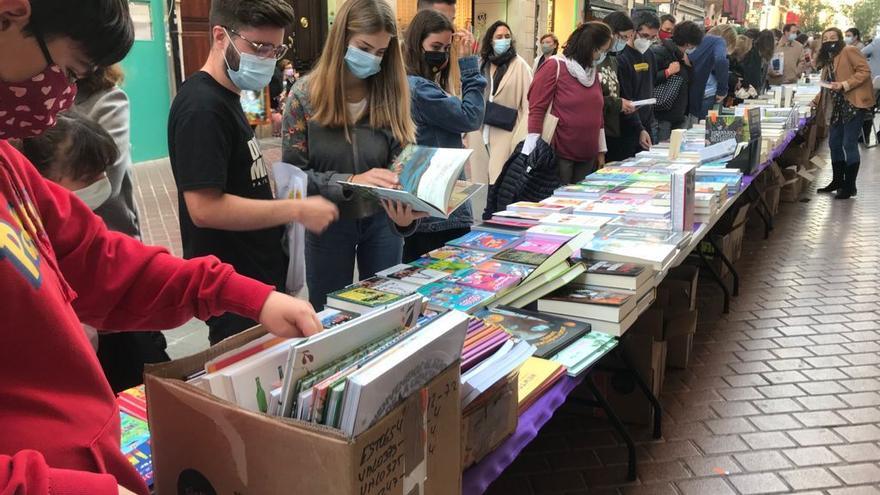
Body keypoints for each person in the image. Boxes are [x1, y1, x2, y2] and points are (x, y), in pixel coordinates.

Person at [0, 0, 324, 493]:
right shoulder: (200, 106)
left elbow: (106, 264)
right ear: (12, 14)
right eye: (64, 70)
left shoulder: (11, 169)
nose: (63, 98)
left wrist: (248, 295)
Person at [168, 0, 339, 345]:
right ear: (220, 36)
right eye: (258, 47)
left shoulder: (226, 96)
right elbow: (204, 209)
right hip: (233, 291)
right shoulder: (202, 107)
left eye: (276, 49)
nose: (267, 60)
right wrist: (295, 209)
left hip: (257, 283)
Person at [282, 0, 425, 309]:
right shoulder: (305, 96)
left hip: (382, 223)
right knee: (329, 315)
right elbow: (293, 181)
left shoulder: (391, 93)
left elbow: (402, 166)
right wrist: (350, 181)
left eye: (381, 52)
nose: (372, 59)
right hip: (327, 224)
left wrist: (406, 216)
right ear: (341, 38)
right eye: (364, 47)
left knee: (386, 311)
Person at [20, 110, 170, 393]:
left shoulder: (89, 230)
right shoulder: (24, 250)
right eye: (88, 177)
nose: (102, 182)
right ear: (40, 179)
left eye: (104, 171)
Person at [72, 66, 174, 392]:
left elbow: (104, 186)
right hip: (63, 291)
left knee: (145, 386)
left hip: (114, 276)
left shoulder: (106, 100)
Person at [401, 9, 485, 260]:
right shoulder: (419, 88)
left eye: (447, 48)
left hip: (430, 204)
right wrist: (469, 65)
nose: (442, 53)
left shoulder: (415, 84)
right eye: (436, 46)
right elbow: (471, 116)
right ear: (417, 44)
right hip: (438, 210)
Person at [525, 22, 610, 184]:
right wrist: (531, 152)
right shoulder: (554, 66)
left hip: (588, 155)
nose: (602, 55)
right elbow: (536, 108)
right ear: (589, 47)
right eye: (601, 50)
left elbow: (598, 114)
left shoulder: (592, 73)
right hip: (560, 155)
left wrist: (601, 150)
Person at [467, 20, 532, 185]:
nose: (504, 40)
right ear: (491, 40)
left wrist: (521, 140)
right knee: (479, 185)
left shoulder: (520, 66)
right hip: (479, 133)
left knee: (500, 184)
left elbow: (529, 106)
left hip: (506, 135)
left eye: (507, 36)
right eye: (499, 36)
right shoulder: (481, 64)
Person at [814, 27, 874, 199]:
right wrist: (816, 101)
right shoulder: (828, 60)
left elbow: (864, 71)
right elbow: (827, 85)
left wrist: (845, 84)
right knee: (834, 143)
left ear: (840, 39)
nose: (829, 41)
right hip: (837, 106)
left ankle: (850, 186)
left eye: (833, 37)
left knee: (849, 143)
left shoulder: (849, 50)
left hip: (853, 103)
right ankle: (837, 181)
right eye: (825, 38)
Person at [609, 11, 656, 158]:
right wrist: (639, 128)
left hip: (646, 123)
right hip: (627, 128)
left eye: (653, 37)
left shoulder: (650, 55)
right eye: (645, 36)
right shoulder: (622, 57)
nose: (647, 41)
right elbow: (625, 95)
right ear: (634, 32)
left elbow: (650, 85)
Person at [598, 17, 638, 162]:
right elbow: (590, 99)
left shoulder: (613, 60)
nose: (624, 41)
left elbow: (616, 91)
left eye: (628, 38)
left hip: (613, 129)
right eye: (622, 37)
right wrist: (618, 103)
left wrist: (624, 104)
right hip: (597, 131)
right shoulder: (594, 60)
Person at [673, 21, 725, 121]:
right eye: (692, 47)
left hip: (684, 107)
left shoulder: (686, 56)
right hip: (673, 109)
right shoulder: (669, 53)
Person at [651, 25, 691, 141]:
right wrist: (667, 72)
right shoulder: (660, 52)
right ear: (688, 44)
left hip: (678, 113)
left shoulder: (683, 57)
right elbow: (650, 79)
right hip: (663, 114)